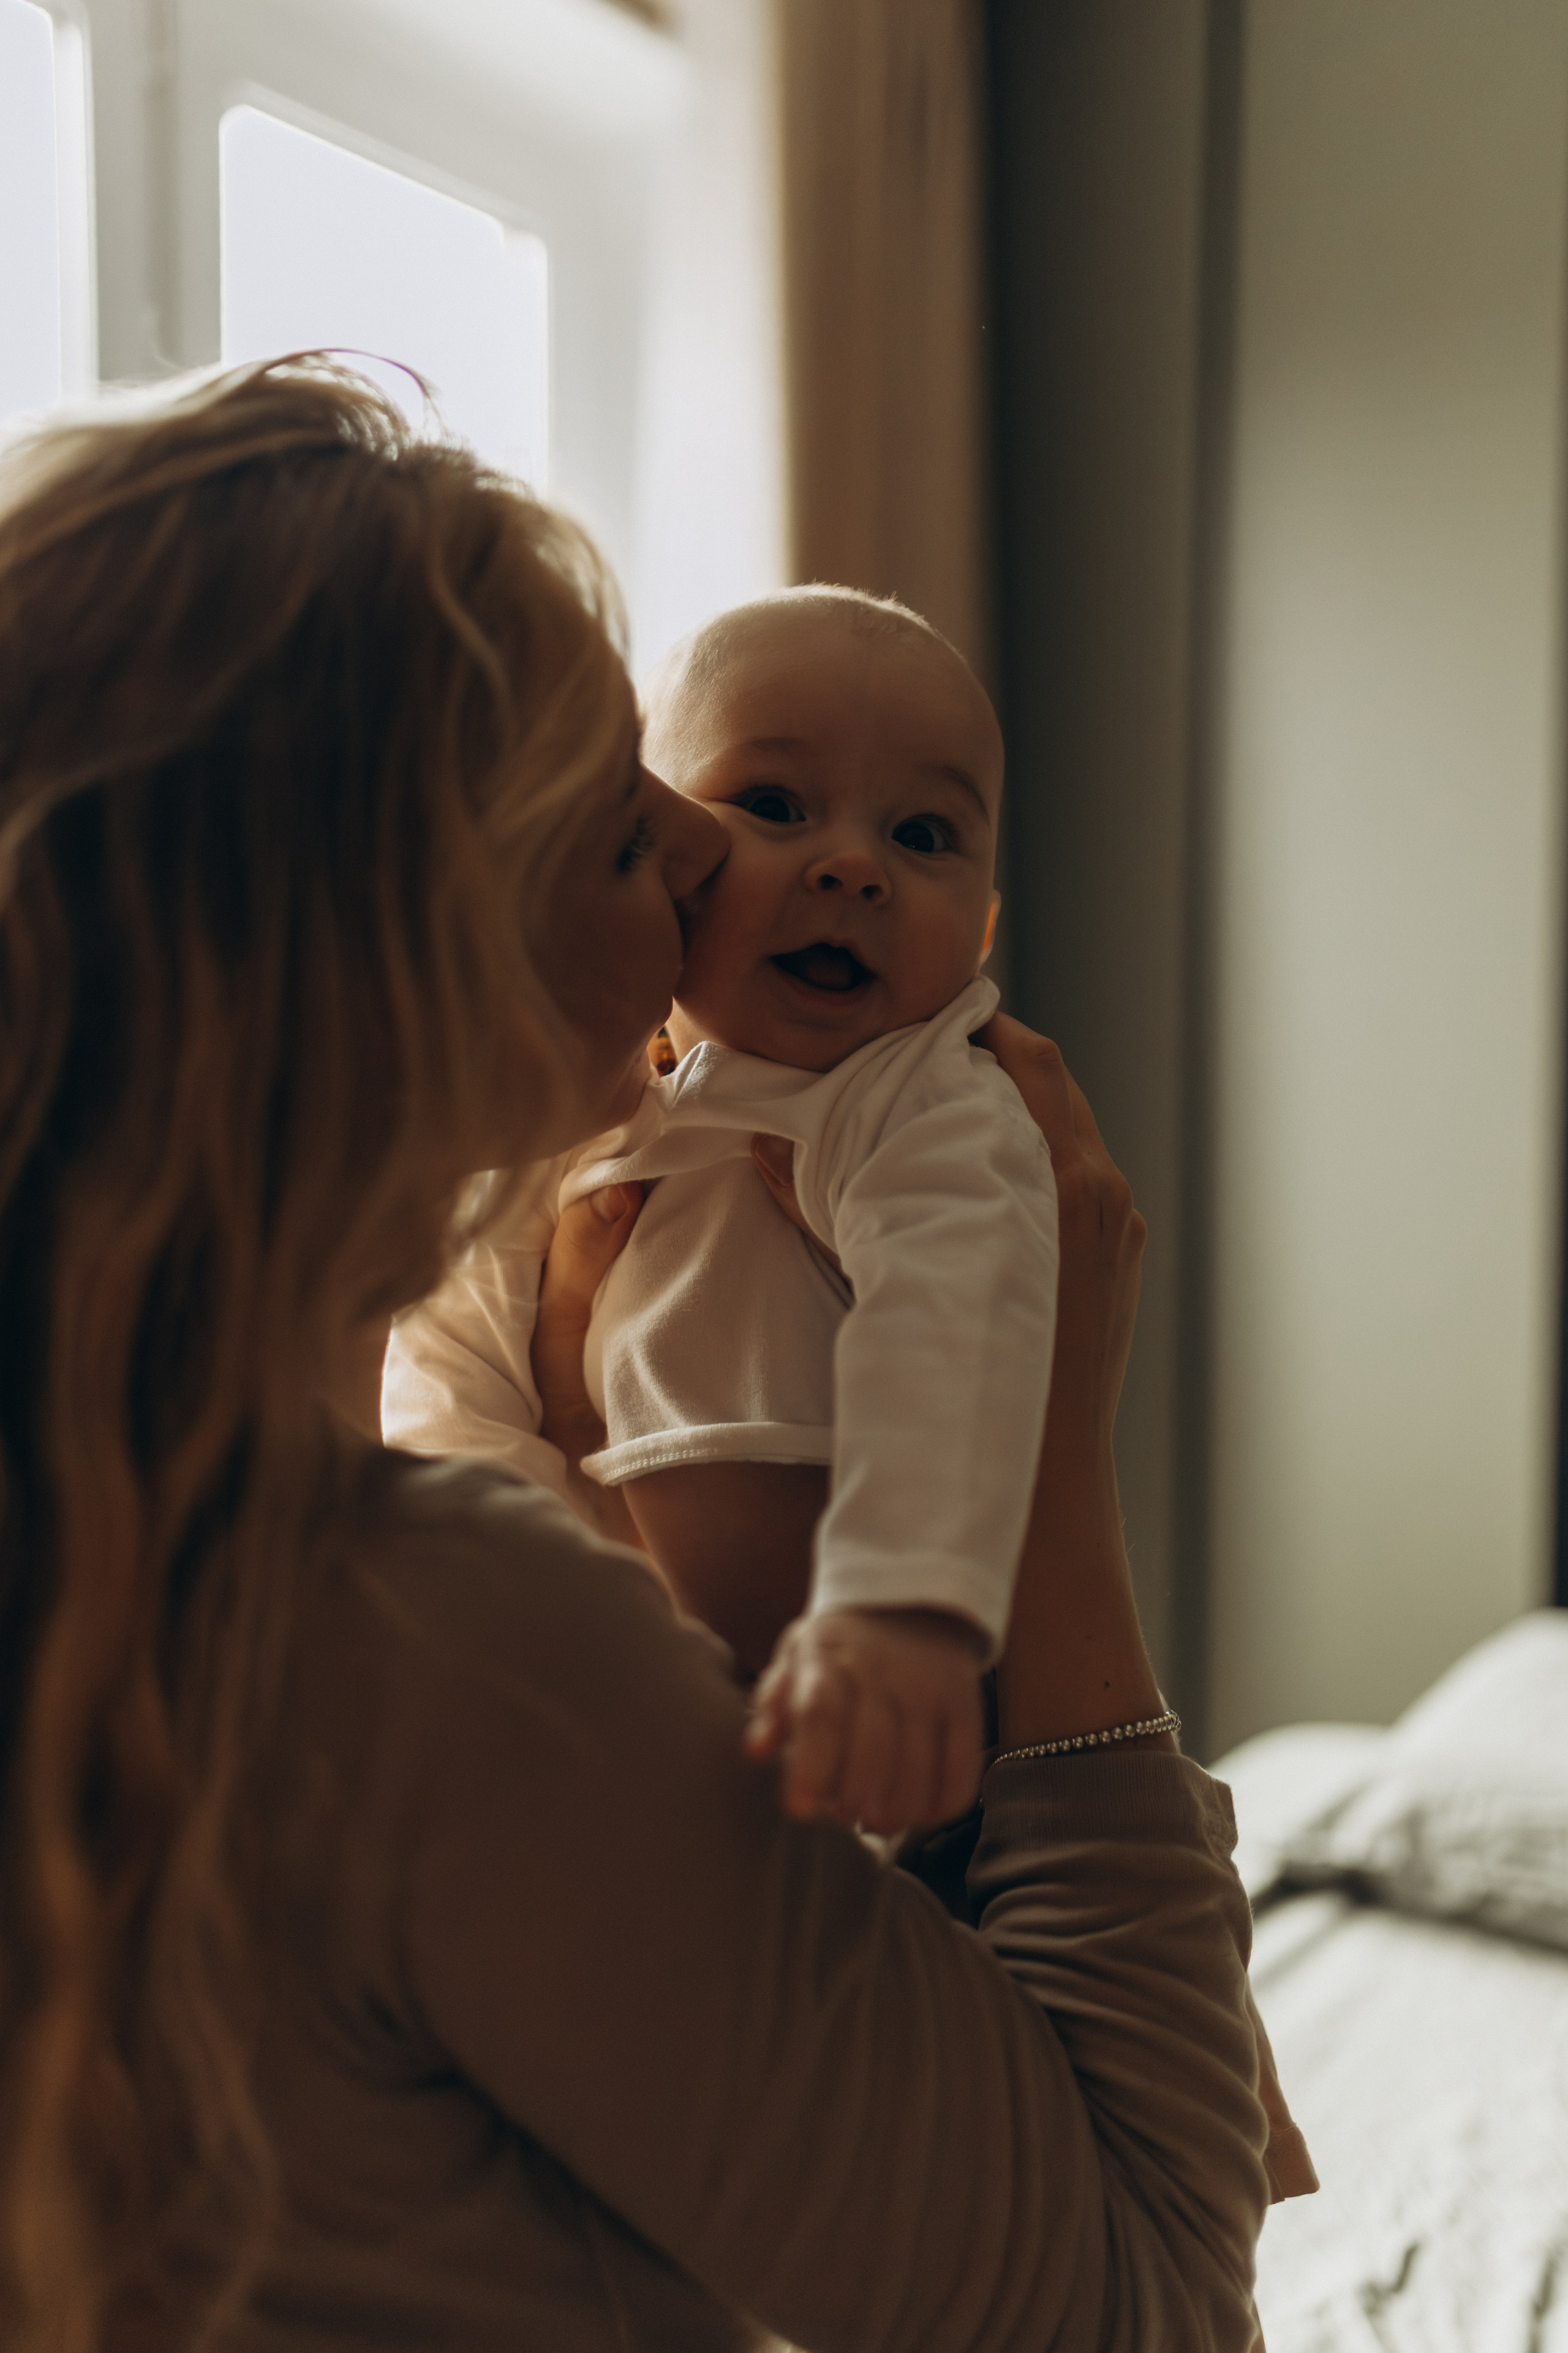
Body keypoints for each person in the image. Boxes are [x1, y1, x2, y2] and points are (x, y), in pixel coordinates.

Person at [0, 357, 1272, 2352]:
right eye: (622, 820)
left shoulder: (138, 1565)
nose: (714, 856)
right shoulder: (435, 1650)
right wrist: (1046, 1490)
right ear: (404, 963)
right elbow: (1149, 2315)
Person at [386, 586, 1062, 1834]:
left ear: (978, 932)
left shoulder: (915, 1100)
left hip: (861, 1710)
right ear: (661, 852)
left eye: (920, 833)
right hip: (609, 1706)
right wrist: (518, 1611)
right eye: (771, 805)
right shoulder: (580, 1102)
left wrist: (897, 1602)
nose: (852, 865)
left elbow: (955, 1320)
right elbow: (449, 1376)